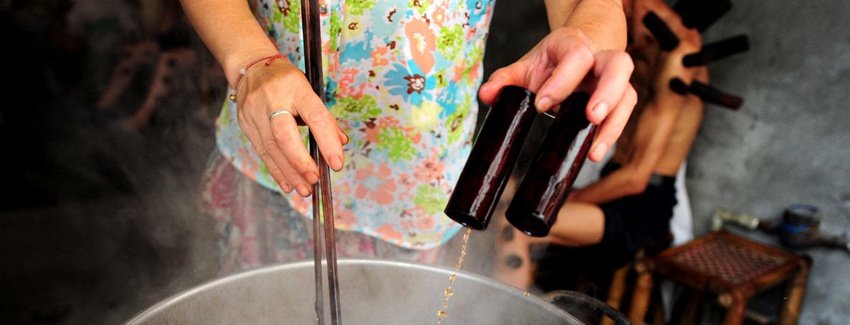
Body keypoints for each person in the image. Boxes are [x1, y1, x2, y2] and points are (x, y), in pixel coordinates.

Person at [177, 0, 637, 274]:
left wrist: (593, 41)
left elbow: (591, 5)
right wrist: (251, 59)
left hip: (415, 192)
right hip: (273, 154)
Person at [494, 0, 707, 292]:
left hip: (642, 207)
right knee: (505, 191)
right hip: (609, 183)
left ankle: (503, 324)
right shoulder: (624, 31)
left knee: (516, 225)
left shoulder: (679, 59)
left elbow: (635, 179)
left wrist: (566, 199)